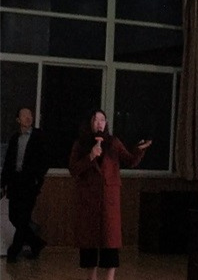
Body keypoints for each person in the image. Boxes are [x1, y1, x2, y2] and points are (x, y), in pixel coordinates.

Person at [68, 109, 152, 280]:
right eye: (96, 119)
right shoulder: (80, 144)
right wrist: (91, 156)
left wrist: (139, 150)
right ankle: (91, 277)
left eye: (103, 119)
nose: (100, 123)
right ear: (90, 123)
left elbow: (130, 161)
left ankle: (109, 278)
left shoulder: (113, 142)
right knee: (89, 241)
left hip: (109, 199)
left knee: (110, 240)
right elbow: (73, 169)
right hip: (88, 199)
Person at [0, 107, 49, 263]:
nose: (28, 117)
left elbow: (45, 159)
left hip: (30, 183)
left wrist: (38, 178)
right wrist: (3, 183)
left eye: (30, 115)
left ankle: (13, 252)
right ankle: (36, 243)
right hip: (15, 182)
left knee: (23, 218)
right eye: (24, 115)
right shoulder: (15, 138)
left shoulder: (38, 136)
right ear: (18, 120)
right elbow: (8, 162)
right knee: (14, 217)